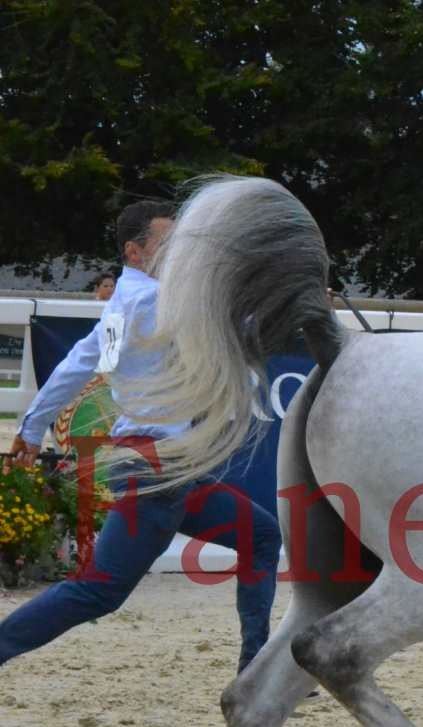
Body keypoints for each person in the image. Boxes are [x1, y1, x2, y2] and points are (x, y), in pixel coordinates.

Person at [0, 201, 281, 673]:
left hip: (165, 465)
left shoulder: (123, 304)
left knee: (261, 536)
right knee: (98, 590)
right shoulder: (153, 301)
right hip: (156, 468)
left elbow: (76, 364)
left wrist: (31, 429)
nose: (178, 254)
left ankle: (258, 667)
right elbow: (234, 322)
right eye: (166, 244)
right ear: (134, 251)